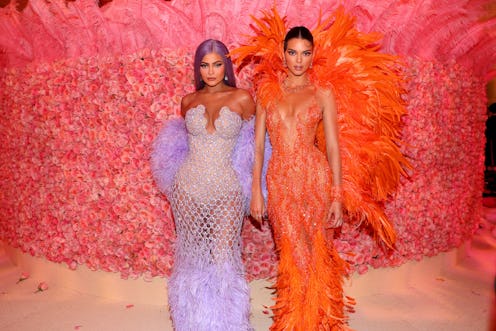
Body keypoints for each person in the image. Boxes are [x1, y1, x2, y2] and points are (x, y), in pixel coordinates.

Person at [249, 26, 351, 330]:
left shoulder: (323, 93)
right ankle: (295, 321)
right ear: (283, 54)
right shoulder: (267, 92)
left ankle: (319, 322)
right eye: (292, 52)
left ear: (313, 55)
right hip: (279, 180)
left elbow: (332, 145)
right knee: (293, 255)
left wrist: (336, 193)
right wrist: (256, 189)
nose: (298, 60)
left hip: (315, 178)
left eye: (305, 53)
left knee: (319, 253)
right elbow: (256, 147)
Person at [151, 39, 255, 331]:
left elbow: (253, 149)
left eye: (217, 64)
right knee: (192, 255)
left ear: (226, 66)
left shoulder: (242, 98)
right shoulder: (188, 102)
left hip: (227, 188)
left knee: (225, 257)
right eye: (204, 65)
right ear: (198, 69)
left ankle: (229, 325)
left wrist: (255, 190)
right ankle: (193, 323)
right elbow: (182, 146)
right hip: (188, 188)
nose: (211, 71)